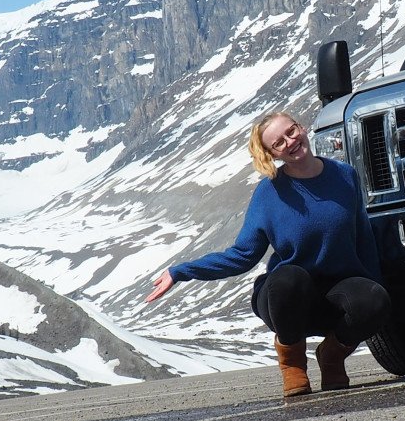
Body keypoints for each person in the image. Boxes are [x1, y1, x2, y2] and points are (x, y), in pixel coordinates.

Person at [145, 109, 390, 399]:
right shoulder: (269, 193)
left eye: (291, 131)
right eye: (278, 143)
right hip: (286, 299)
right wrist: (180, 271)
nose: (290, 142)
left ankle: (332, 357)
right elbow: (243, 255)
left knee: (375, 298)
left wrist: (374, 291)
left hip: (336, 294)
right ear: (272, 154)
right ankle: (292, 363)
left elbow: (363, 237)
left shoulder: (345, 176)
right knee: (289, 279)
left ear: (301, 127)